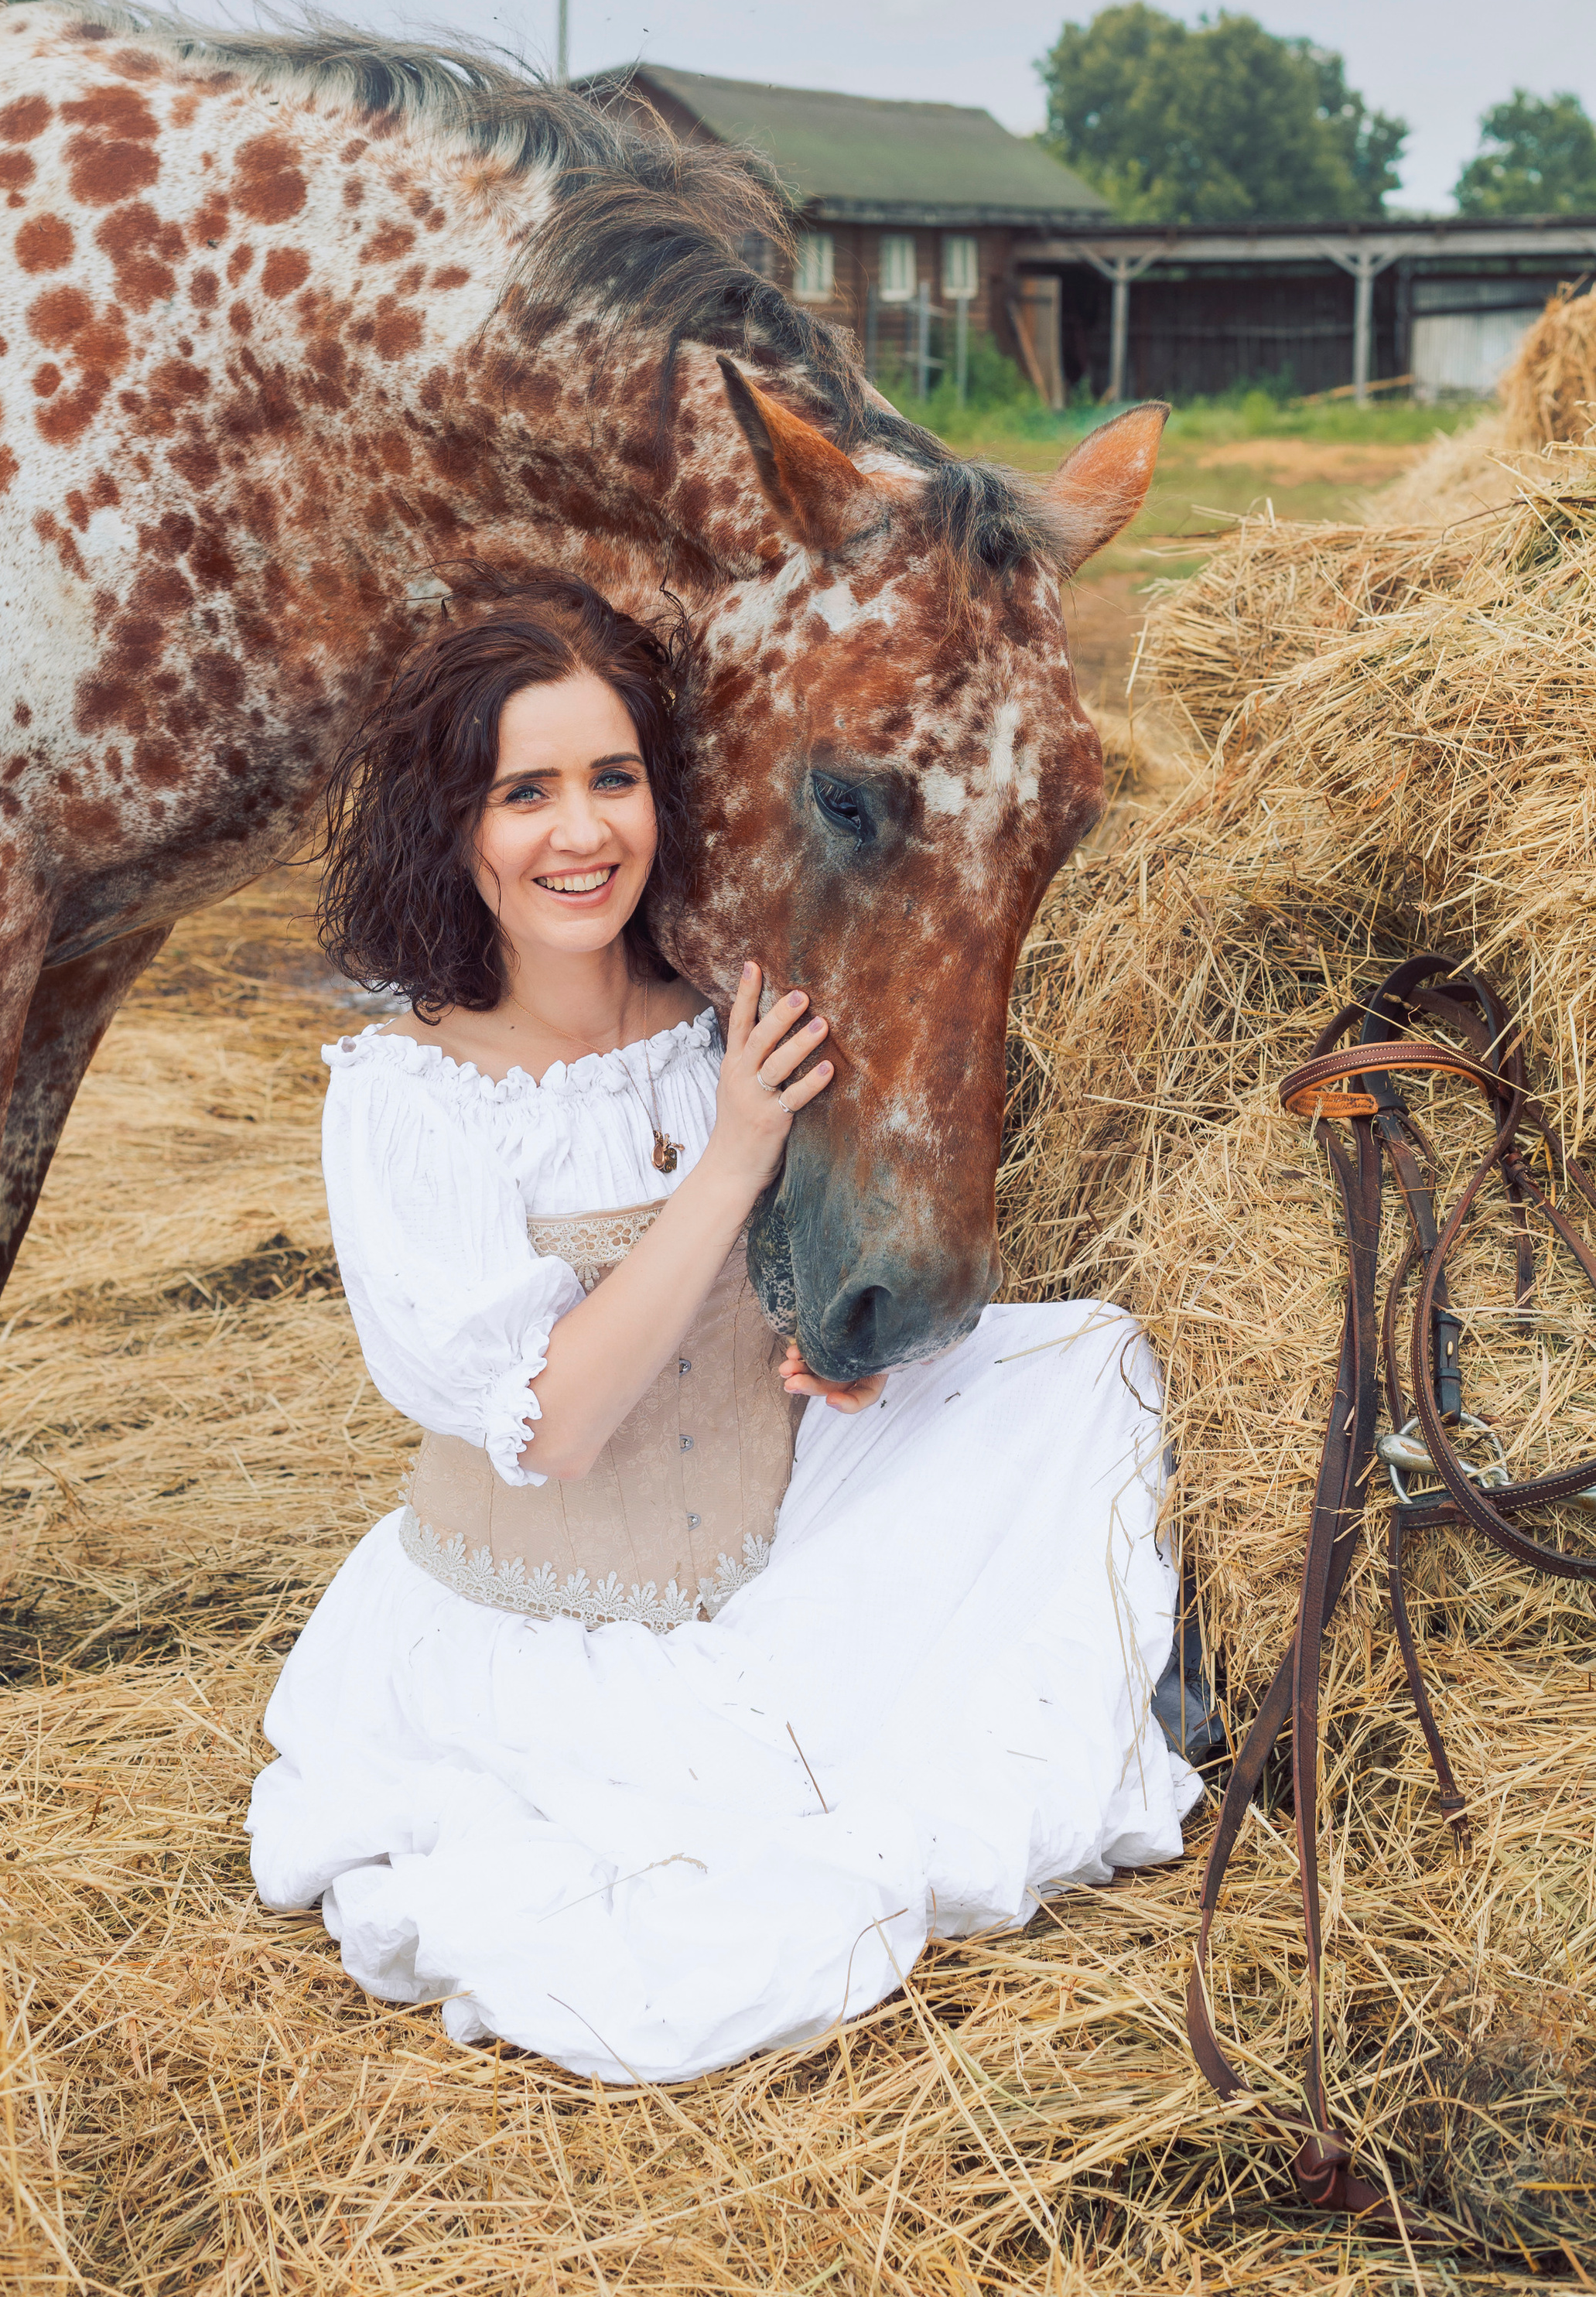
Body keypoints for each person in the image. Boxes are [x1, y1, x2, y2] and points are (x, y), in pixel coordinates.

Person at [245, 575, 1198, 2081]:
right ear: (453, 827)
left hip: (770, 1525)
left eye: (613, 779)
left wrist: (823, 1354)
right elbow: (549, 1429)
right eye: (525, 794)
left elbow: (771, 1280)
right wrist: (734, 1149)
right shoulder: (410, 1099)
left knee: (1075, 1364)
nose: (581, 833)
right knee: (676, 1962)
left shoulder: (715, 1014)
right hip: (555, 1614)